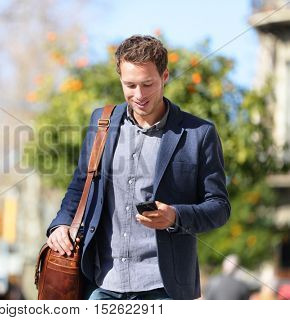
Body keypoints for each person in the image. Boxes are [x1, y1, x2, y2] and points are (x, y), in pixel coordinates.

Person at [46, 35, 230, 300]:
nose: (139, 95)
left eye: (148, 84)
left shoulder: (200, 133)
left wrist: (175, 216)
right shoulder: (102, 123)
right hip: (102, 285)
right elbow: (80, 185)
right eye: (130, 85)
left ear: (165, 76)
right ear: (119, 77)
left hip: (165, 290)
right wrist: (60, 225)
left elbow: (219, 208)